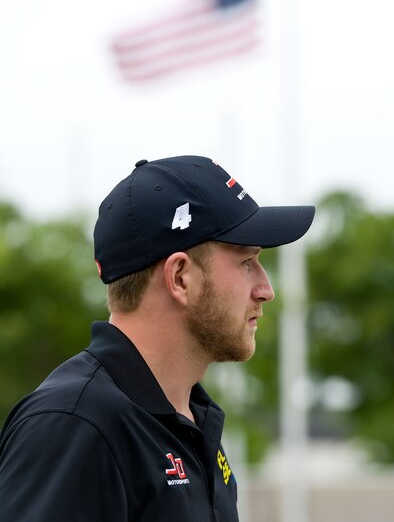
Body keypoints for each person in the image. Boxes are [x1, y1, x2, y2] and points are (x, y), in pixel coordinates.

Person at [0, 155, 315, 521]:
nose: (266, 290)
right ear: (180, 277)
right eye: (247, 261)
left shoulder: (193, 420)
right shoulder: (74, 424)